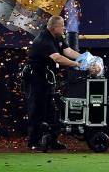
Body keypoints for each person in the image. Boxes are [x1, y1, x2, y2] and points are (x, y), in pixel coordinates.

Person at [24, 15, 85, 152]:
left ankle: (52, 141)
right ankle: (34, 142)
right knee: (37, 110)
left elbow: (67, 51)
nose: (64, 28)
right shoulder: (43, 40)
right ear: (55, 27)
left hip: (47, 79)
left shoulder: (57, 37)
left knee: (52, 110)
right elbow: (58, 58)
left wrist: (85, 58)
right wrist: (77, 64)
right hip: (36, 80)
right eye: (62, 25)